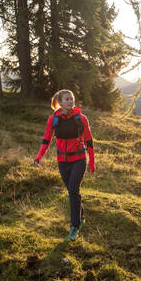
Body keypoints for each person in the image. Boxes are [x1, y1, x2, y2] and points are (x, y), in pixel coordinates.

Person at [34, 89, 95, 241]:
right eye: (67, 99)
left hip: (79, 160)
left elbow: (89, 141)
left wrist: (91, 163)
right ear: (60, 103)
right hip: (62, 162)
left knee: (73, 190)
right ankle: (80, 217)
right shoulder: (53, 119)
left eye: (72, 99)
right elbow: (46, 139)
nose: (70, 101)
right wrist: (39, 157)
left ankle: (74, 227)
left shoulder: (81, 119)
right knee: (73, 192)